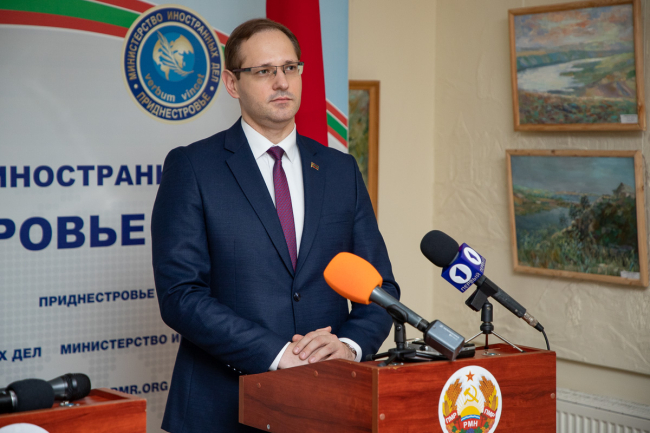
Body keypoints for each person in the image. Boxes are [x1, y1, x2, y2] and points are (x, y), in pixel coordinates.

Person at [151, 18, 399, 433]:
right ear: (233, 83)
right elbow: (180, 295)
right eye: (264, 71)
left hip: (328, 402)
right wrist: (278, 353)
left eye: (290, 68)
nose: (282, 82)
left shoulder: (340, 170)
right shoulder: (193, 168)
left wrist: (349, 346)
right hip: (222, 408)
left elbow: (380, 288)